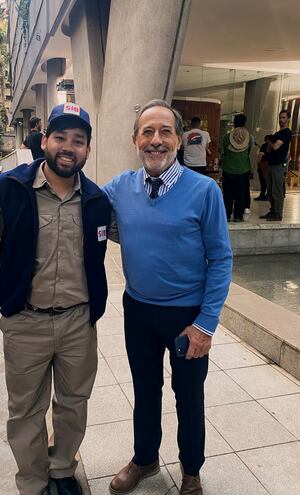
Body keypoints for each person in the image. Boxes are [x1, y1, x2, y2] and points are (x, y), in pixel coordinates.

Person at [0, 103, 111, 495]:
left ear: (87, 150)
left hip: (79, 323)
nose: (68, 147)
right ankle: (32, 481)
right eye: (60, 137)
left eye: (78, 141)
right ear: (45, 141)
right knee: (26, 411)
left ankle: (61, 471)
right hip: (26, 321)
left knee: (73, 405)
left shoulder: (95, 199)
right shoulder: (10, 188)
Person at [103, 99, 232, 495]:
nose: (155, 141)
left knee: (188, 396)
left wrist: (205, 324)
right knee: (144, 389)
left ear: (179, 139)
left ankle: (191, 469)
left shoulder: (204, 190)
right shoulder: (120, 188)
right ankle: (145, 459)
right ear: (135, 140)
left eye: (164, 132)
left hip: (187, 316)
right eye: (147, 132)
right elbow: (76, 195)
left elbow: (221, 258)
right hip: (138, 310)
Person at [259, 109, 293, 221]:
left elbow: (274, 147)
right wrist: (271, 144)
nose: (281, 120)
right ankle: (273, 210)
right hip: (271, 164)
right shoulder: (277, 134)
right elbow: (269, 149)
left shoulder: (287, 133)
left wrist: (271, 143)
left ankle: (278, 213)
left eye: (283, 117)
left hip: (278, 165)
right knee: (270, 189)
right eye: (280, 117)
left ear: (288, 119)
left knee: (277, 190)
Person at [221, 113, 253, 222]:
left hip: (228, 169)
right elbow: (249, 151)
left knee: (228, 194)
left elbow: (224, 151)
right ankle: (238, 216)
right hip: (243, 169)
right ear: (245, 123)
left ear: (234, 123)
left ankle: (226, 215)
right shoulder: (250, 138)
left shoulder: (226, 137)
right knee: (241, 194)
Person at [254, 135, 273, 201]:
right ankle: (268, 195)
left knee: (262, 181)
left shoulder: (264, 145)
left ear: (267, 139)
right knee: (269, 181)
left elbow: (260, 156)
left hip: (263, 164)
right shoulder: (274, 146)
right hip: (271, 165)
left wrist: (258, 164)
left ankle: (262, 195)